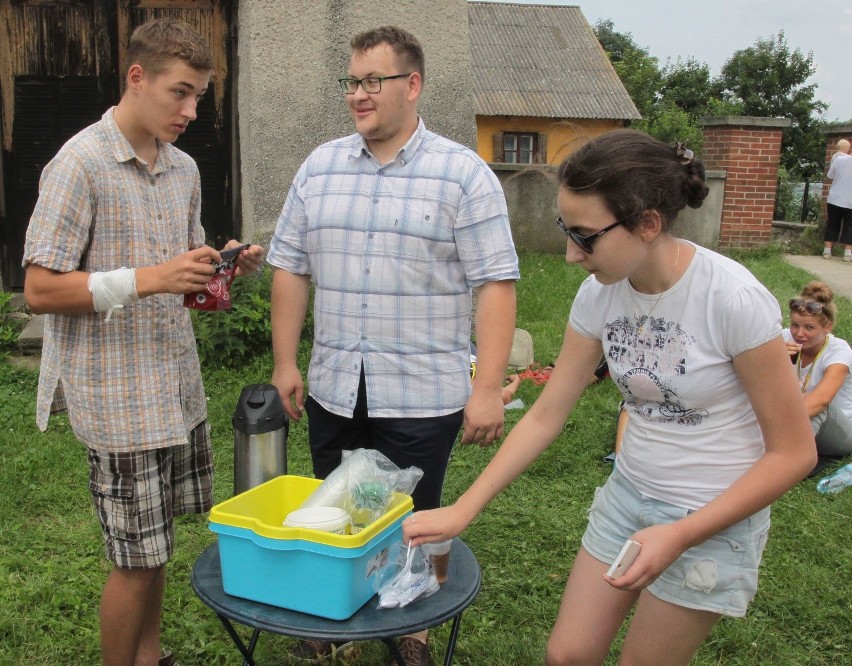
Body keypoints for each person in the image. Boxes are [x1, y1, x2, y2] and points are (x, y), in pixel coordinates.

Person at [404, 130, 816, 666]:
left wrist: (683, 533)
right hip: (629, 496)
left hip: (712, 518)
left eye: (585, 236)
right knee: (567, 655)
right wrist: (464, 508)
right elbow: (547, 413)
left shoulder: (732, 299)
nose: (572, 255)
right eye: (565, 229)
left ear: (647, 224)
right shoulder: (600, 293)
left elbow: (795, 452)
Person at [267, 25, 519, 666]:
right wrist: (285, 360)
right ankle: (330, 620)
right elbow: (291, 267)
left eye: (371, 81)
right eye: (352, 81)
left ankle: (413, 631)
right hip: (332, 383)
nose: (358, 94)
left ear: (412, 85)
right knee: (332, 505)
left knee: (420, 513)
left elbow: (495, 283)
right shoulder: (319, 166)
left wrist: (486, 388)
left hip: (422, 391)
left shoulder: (463, 174)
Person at [22, 19, 264, 666]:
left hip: (174, 389)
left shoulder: (182, 167)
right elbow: (41, 290)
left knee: (156, 546)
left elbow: (181, 282)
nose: (190, 111)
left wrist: (218, 271)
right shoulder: (79, 163)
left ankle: (149, 658)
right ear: (137, 77)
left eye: (199, 97)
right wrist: (148, 279)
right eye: (180, 93)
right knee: (133, 561)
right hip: (117, 399)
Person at [783, 281, 852, 475]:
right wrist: (776, 359)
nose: (799, 333)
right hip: (797, 422)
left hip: (840, 432)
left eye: (809, 328)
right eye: (795, 325)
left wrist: (779, 422)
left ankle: (792, 464)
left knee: (820, 406)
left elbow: (822, 399)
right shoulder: (783, 339)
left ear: (827, 326)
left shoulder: (839, 351)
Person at [824, 140, 852, 261]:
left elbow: (830, 175)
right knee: (850, 226)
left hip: (835, 198)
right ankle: (847, 253)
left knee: (832, 223)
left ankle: (827, 251)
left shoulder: (838, 159)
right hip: (850, 200)